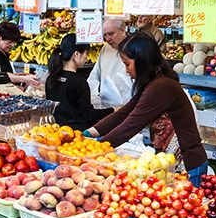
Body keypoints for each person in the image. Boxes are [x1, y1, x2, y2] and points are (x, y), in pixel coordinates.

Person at [86, 33, 207, 183]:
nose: (126, 70)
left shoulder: (161, 86)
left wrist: (95, 149)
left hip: (187, 165)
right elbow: (125, 112)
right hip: (170, 164)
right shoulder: (153, 82)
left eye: (127, 64)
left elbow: (130, 125)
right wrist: (89, 134)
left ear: (142, 61)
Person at [45, 34, 114, 131]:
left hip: (56, 130)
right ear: (76, 54)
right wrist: (113, 110)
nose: (87, 57)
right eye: (86, 53)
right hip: (75, 134)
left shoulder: (51, 78)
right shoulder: (79, 82)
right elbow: (88, 115)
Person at [87, 18, 132, 109]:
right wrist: (94, 101)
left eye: (111, 34)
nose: (107, 39)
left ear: (123, 31)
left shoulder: (135, 48)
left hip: (128, 109)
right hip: (106, 109)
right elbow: (94, 77)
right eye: (105, 35)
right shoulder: (105, 49)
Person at [0, 22, 40, 88]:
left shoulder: (4, 53)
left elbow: (5, 74)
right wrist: (23, 78)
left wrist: (22, 76)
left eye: (14, 42)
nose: (13, 45)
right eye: (9, 42)